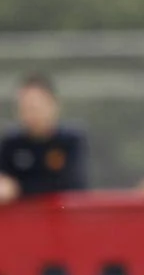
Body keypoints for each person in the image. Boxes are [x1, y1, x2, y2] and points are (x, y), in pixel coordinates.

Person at [0, 73, 88, 205]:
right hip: (22, 221)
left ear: (54, 105)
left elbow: (71, 184)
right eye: (24, 108)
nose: (30, 113)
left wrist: (19, 189)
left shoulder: (70, 141)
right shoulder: (11, 143)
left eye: (35, 107)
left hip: (63, 219)